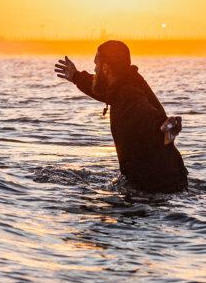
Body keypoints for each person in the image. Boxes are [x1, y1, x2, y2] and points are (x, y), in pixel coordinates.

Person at [54, 40, 188, 193]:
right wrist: (76, 76)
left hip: (156, 187)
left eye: (96, 65)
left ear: (105, 68)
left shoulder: (129, 95)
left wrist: (167, 124)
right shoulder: (123, 84)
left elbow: (146, 113)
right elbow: (99, 88)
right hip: (166, 181)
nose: (95, 69)